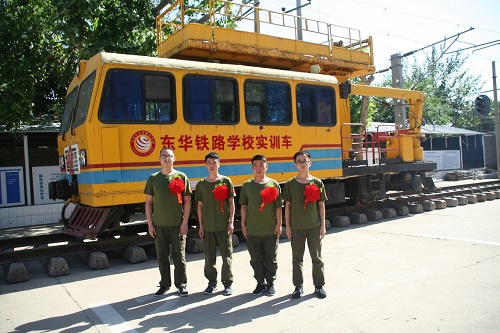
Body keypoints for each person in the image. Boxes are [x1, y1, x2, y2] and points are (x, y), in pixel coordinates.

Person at [144, 148, 191, 297]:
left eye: (169, 156)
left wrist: (185, 222)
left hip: (178, 224)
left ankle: (181, 284)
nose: (166, 158)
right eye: (163, 156)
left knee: (180, 256)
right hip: (159, 225)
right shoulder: (153, 178)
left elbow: (187, 201)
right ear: (159, 159)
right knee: (162, 256)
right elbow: (149, 203)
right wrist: (150, 224)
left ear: (174, 158)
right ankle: (164, 284)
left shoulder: (181, 176)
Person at [283, 151, 328, 299]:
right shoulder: (290, 184)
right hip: (296, 227)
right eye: (299, 161)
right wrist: (287, 226)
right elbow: (287, 206)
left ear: (310, 163)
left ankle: (319, 285)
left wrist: (322, 226)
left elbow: (321, 205)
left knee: (317, 257)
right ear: (295, 164)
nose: (302, 163)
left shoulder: (317, 183)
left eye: (305, 160)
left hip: (314, 226)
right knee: (297, 258)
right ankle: (298, 286)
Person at [240, 154, 282, 296]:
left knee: (271, 258)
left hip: (270, 229)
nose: (258, 168)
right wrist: (243, 225)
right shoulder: (247, 186)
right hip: (253, 230)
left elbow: (278, 207)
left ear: (266, 166)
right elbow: (244, 206)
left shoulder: (273, 184)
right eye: (255, 165)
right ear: (252, 168)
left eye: (261, 165)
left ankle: (270, 283)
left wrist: (279, 224)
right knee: (256, 259)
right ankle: (260, 283)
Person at [195, 152, 236, 296]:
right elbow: (199, 206)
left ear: (219, 163)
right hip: (208, 227)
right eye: (209, 162)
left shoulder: (226, 181)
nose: (212, 165)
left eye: (214, 162)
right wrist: (201, 225)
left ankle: (228, 283)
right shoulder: (201, 184)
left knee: (227, 256)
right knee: (209, 257)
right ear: (205, 165)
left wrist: (231, 222)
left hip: (223, 226)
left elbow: (231, 203)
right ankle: (212, 283)